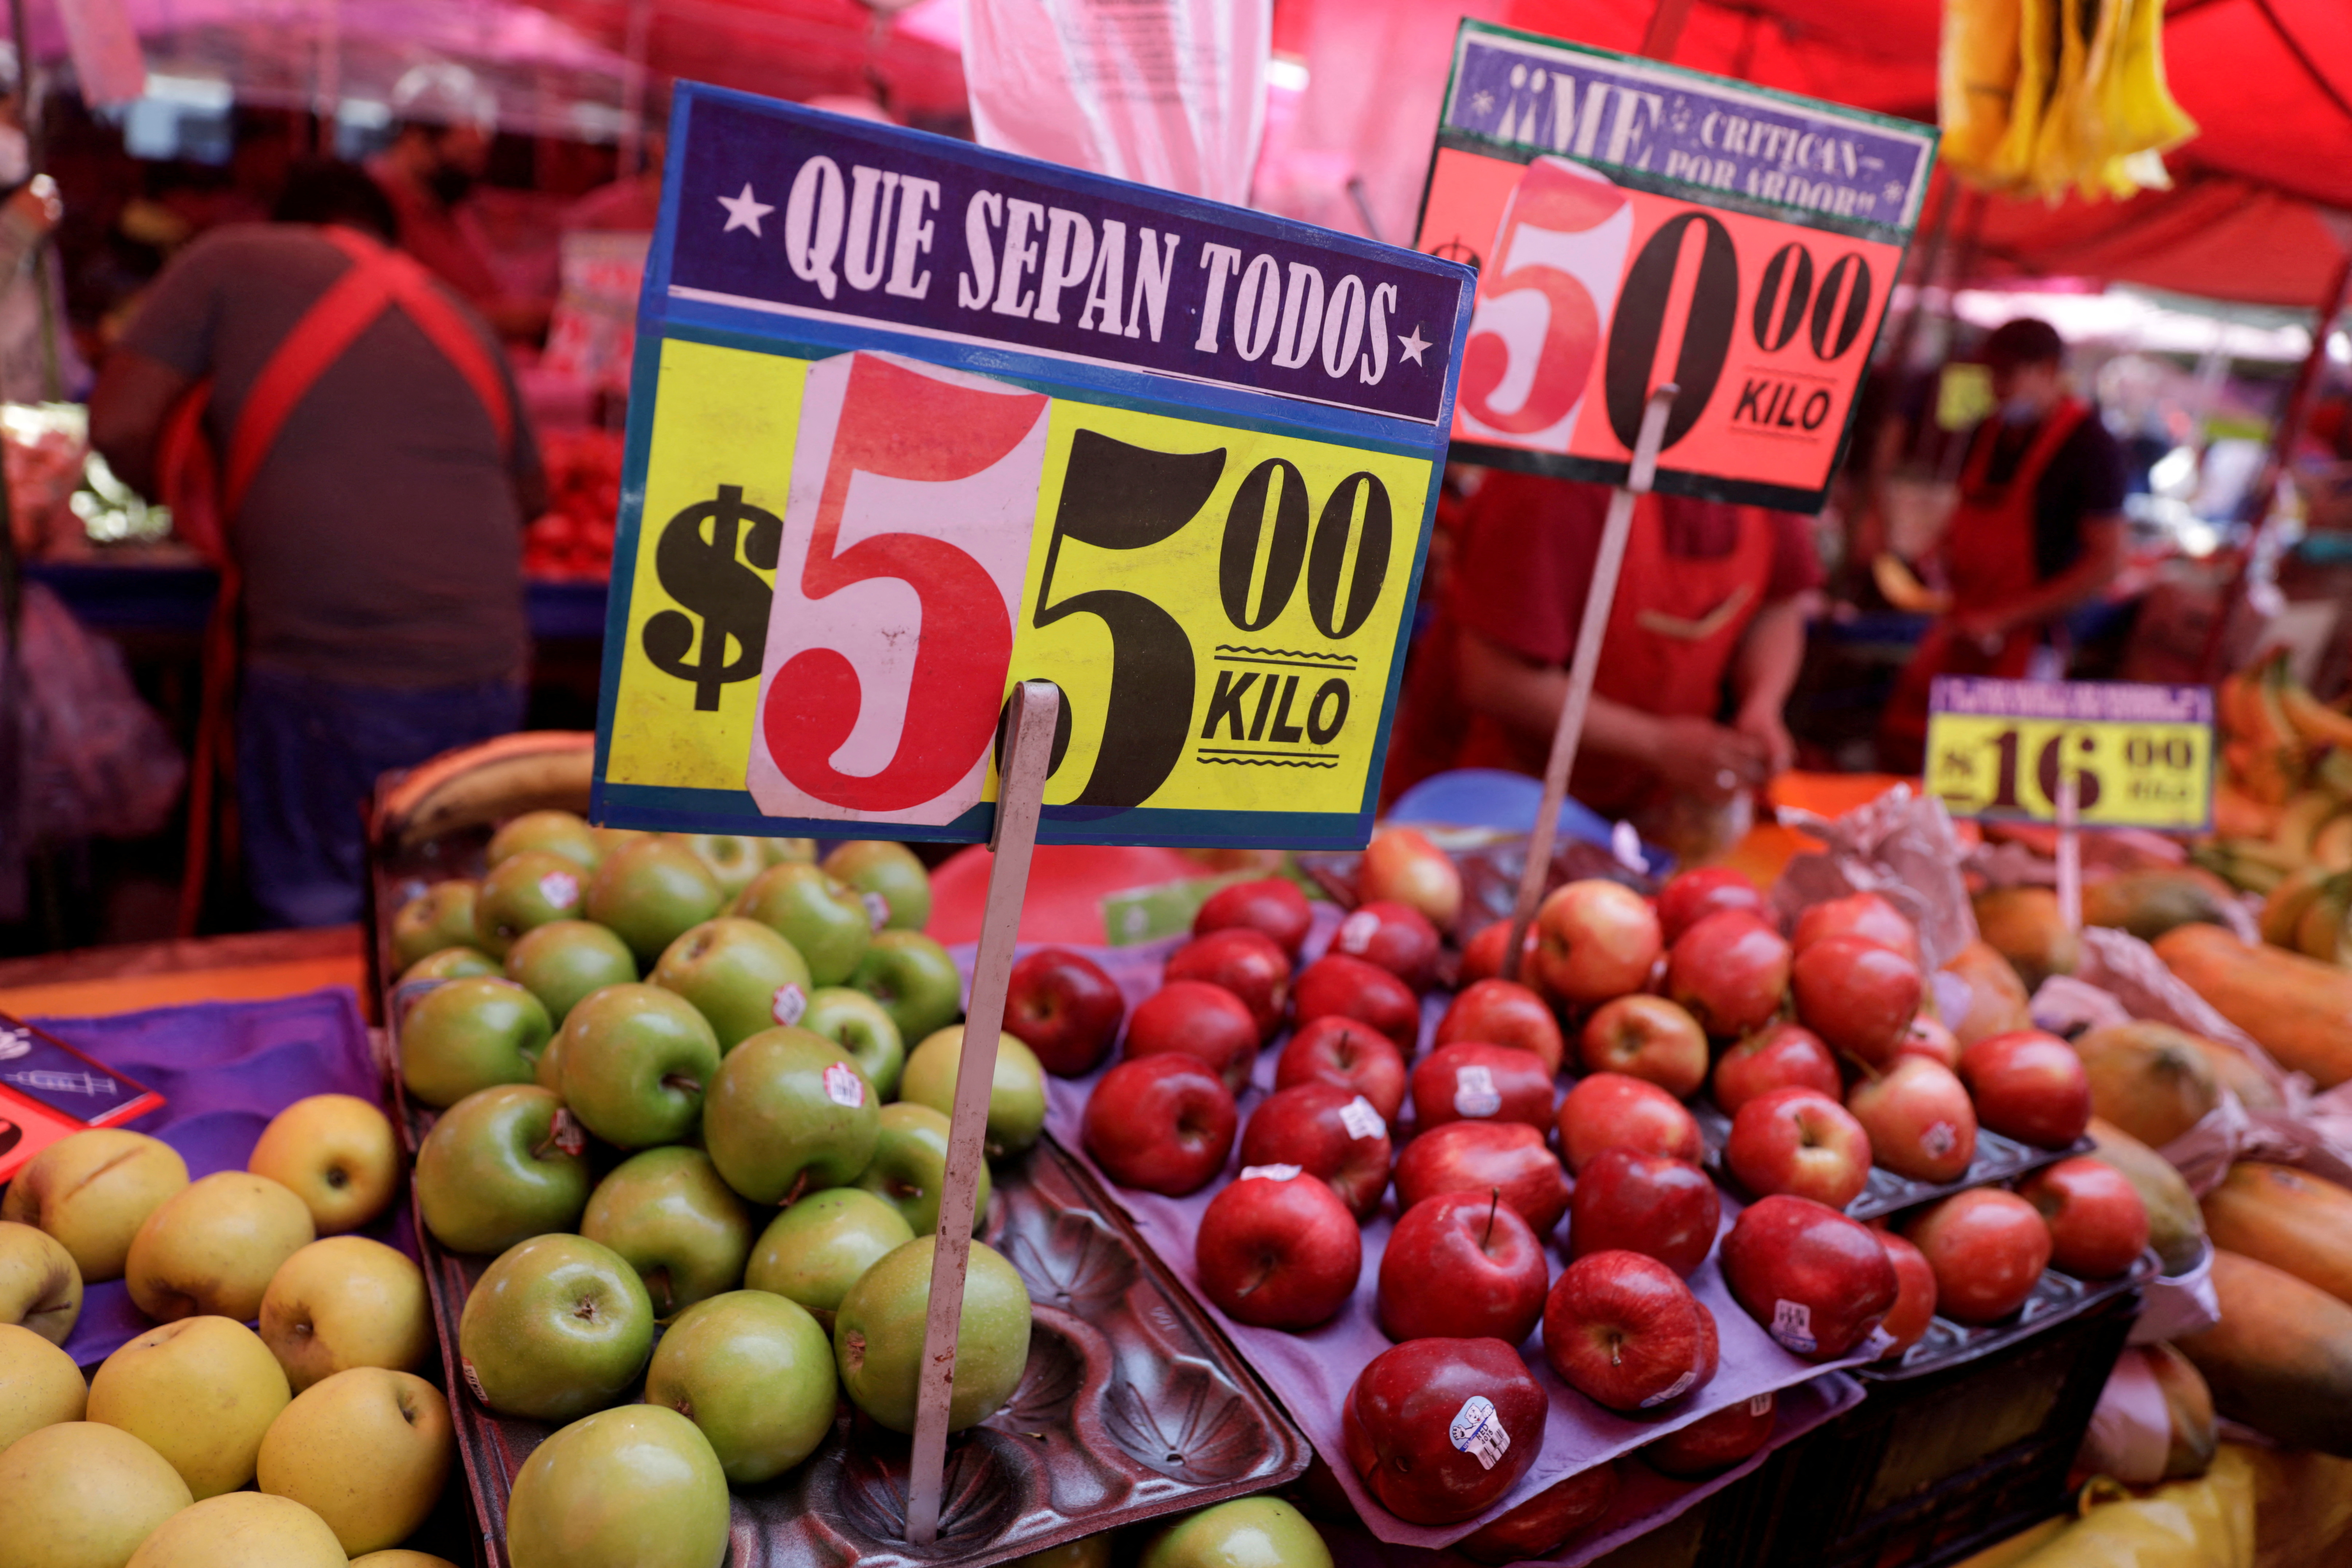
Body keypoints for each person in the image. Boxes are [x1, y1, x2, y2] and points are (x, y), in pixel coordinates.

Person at [89, 160, 544, 927]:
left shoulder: (229, 257)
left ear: (286, 220)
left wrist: (212, 512)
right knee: (450, 922)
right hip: (490, 673)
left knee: (317, 919)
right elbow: (530, 498)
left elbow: (121, 427)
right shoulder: (453, 308)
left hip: (331, 672)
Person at [1385, 470, 1821, 859]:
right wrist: (1658, 745)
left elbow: (1779, 602)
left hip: (1645, 822)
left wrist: (1763, 704)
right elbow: (1493, 678)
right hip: (1483, 817)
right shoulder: (1554, 479)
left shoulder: (1763, 468)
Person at [1879, 318, 2126, 772]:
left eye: (2009, 375)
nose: (1997, 388)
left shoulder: (2092, 447)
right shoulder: (1986, 433)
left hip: (2028, 644)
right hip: (1962, 622)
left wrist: (2005, 617)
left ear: (2049, 370)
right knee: (1908, 745)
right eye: (1991, 375)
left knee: (1995, 770)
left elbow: (2106, 563)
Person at [368, 65, 548, 341]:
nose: (471, 176)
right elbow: (404, 314)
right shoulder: (374, 206)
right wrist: (508, 321)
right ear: (415, 142)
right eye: (462, 160)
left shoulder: (450, 205)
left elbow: (486, 287)